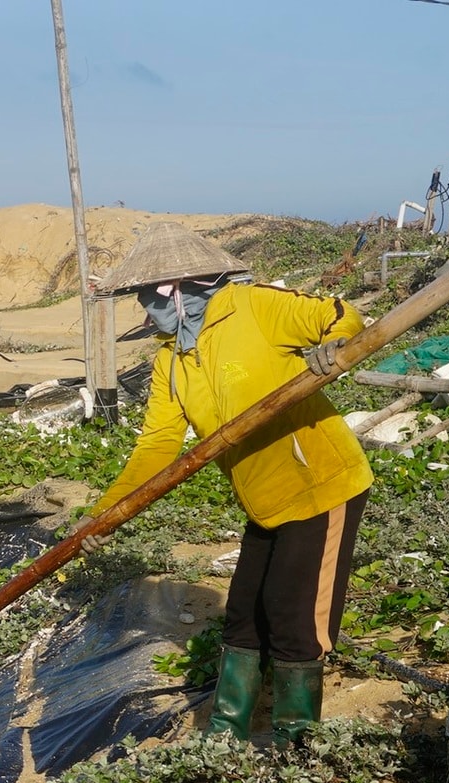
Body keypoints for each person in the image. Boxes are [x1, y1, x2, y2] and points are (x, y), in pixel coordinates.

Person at [87, 222, 369, 741]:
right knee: (242, 613)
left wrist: (337, 343)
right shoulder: (172, 360)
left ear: (179, 287)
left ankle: (295, 742)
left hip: (321, 484)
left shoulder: (254, 307)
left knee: (294, 614)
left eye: (149, 295)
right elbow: (156, 446)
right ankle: (226, 732)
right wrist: (109, 511)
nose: (146, 306)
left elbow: (339, 313)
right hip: (262, 499)